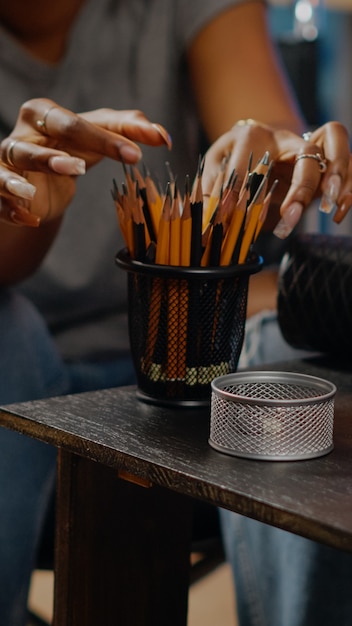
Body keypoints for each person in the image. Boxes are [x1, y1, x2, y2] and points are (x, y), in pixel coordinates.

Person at [0, 1, 351, 625]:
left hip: (204, 373)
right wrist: (28, 209)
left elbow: (267, 152)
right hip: (26, 384)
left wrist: (278, 161)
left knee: (292, 353)